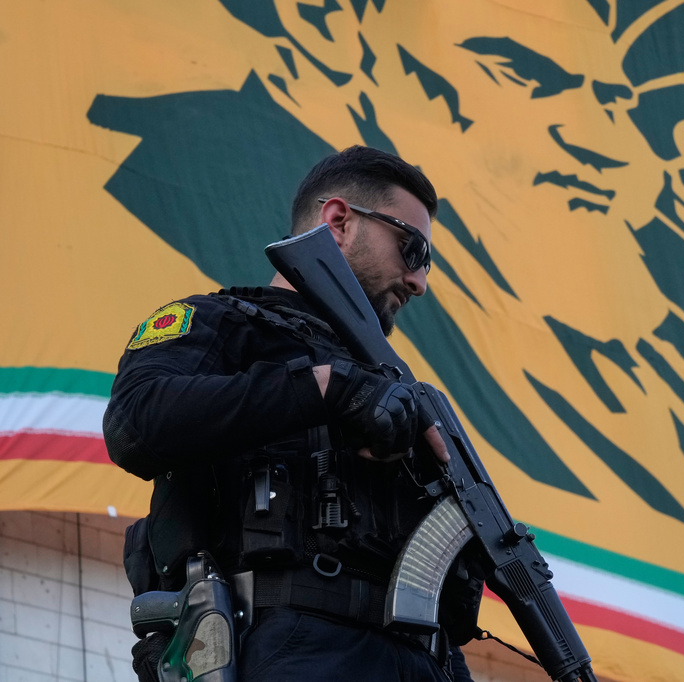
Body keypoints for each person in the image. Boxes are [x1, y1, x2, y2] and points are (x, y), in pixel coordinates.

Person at [104, 145, 480, 682]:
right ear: (339, 221)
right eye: (412, 250)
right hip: (287, 649)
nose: (419, 282)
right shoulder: (220, 322)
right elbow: (135, 422)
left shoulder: (399, 396)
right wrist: (328, 389)